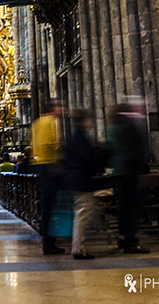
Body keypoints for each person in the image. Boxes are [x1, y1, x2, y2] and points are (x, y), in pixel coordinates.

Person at [107, 99, 151, 255]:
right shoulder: (129, 125)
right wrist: (141, 168)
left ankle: (123, 237)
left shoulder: (114, 127)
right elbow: (136, 149)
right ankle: (131, 242)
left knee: (125, 209)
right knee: (133, 209)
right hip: (131, 172)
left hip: (121, 172)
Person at [65, 108, 101, 260]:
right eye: (88, 119)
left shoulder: (75, 134)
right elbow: (85, 158)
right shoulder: (80, 136)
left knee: (84, 212)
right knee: (83, 214)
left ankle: (79, 246)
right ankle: (78, 248)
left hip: (78, 180)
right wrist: (95, 168)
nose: (91, 122)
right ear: (83, 120)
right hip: (82, 180)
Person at [31, 99, 66, 255]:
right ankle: (48, 241)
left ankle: (50, 238)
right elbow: (48, 145)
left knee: (48, 206)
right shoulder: (49, 122)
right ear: (52, 109)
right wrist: (56, 164)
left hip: (42, 166)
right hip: (48, 167)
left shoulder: (38, 122)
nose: (62, 109)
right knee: (49, 206)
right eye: (59, 107)